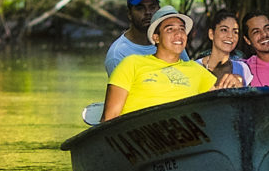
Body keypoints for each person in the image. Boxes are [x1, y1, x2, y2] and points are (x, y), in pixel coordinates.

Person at [103, 9, 240, 120]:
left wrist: (235, 86)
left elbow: (220, 107)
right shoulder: (131, 63)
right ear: (156, 38)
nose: (178, 34)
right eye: (170, 29)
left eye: (182, 29)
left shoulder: (197, 70)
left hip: (183, 137)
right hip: (140, 137)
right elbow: (110, 118)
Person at [104, 0, 169, 74]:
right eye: (140, 8)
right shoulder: (118, 54)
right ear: (129, 14)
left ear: (159, 10)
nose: (147, 12)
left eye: (152, 7)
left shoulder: (171, 42)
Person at [194, 10, 252, 86]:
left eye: (235, 32)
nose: (230, 36)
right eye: (224, 30)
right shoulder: (195, 68)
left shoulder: (242, 68)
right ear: (211, 34)